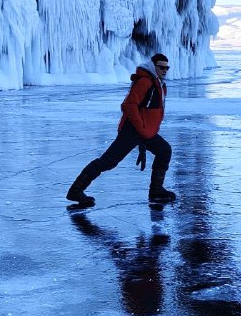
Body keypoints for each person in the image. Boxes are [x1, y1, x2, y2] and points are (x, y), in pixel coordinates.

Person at [66, 53, 175, 207]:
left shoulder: (159, 84)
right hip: (132, 131)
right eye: (161, 67)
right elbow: (129, 105)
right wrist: (140, 127)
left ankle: (156, 190)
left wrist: (144, 137)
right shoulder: (145, 82)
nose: (165, 70)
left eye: (167, 68)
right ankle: (75, 190)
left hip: (145, 132)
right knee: (108, 162)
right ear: (153, 66)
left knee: (164, 150)